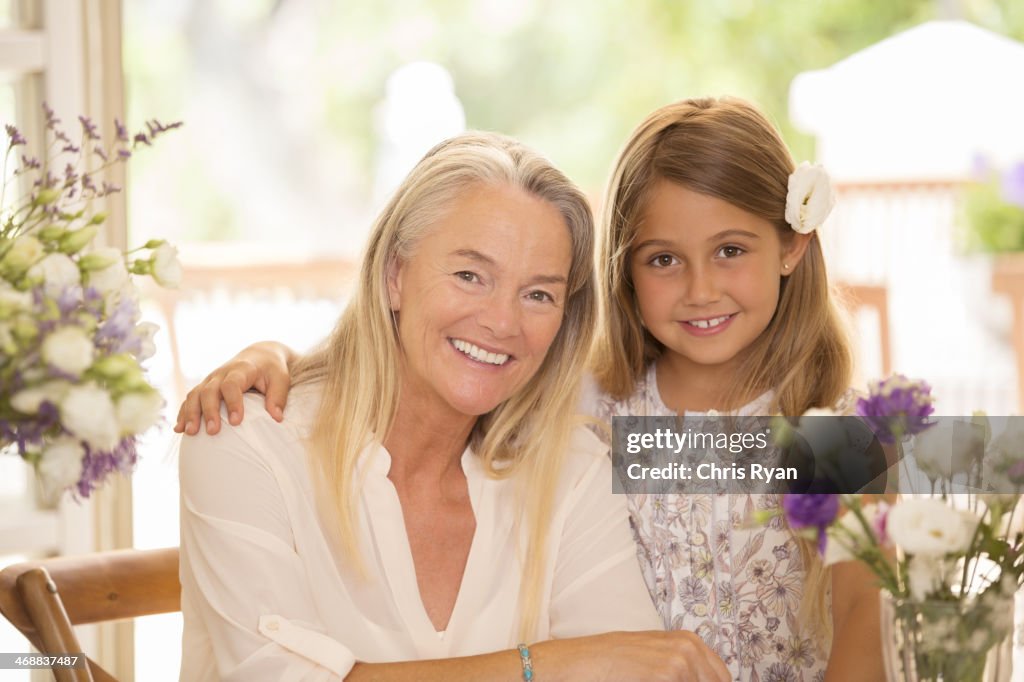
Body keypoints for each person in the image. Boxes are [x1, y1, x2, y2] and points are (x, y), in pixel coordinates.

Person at [178, 98, 884, 680]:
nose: (701, 289)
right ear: (625, 274)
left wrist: (917, 459)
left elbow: (884, 593)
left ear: (793, 245)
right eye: (664, 259)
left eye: (731, 251)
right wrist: (280, 360)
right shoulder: (591, 416)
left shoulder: (828, 437)